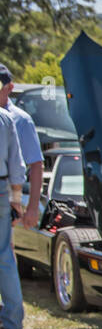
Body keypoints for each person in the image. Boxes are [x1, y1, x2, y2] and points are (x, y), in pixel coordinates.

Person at [0, 65, 44, 230]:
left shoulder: (21, 120)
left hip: (7, 196)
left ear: (10, 88)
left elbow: (36, 164)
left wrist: (32, 207)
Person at [0, 103, 28, 329]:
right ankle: (12, 321)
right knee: (4, 257)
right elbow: (16, 163)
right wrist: (16, 200)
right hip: (1, 188)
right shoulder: (6, 118)